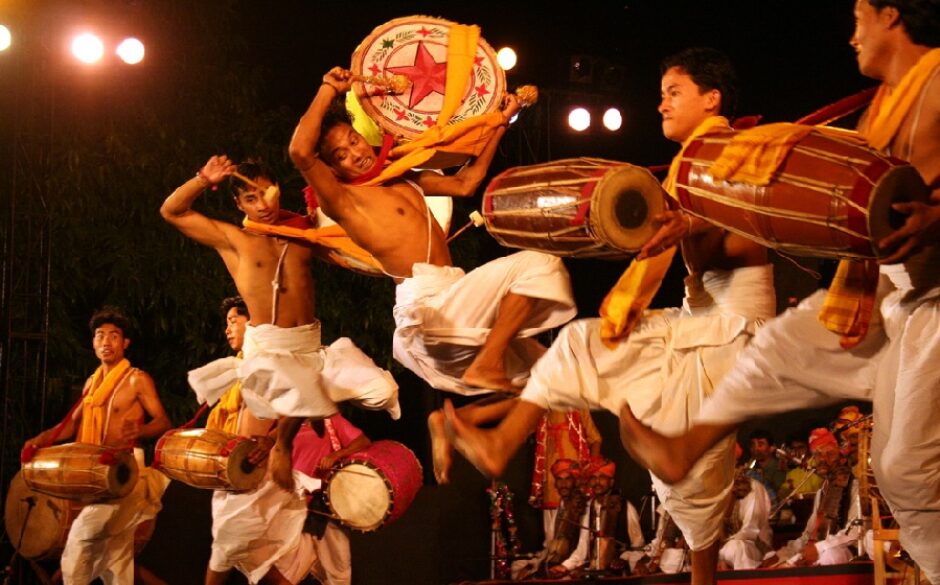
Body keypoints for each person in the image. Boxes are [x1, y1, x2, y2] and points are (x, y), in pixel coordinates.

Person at [618, 2, 940, 579]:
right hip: (892, 290)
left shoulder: (938, 83)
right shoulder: (884, 111)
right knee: (892, 468)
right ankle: (683, 448)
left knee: (907, 472)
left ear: (892, 15)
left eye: (859, 17)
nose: (852, 36)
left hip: (934, 292)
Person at [446, 47, 774, 585]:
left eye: (674, 92)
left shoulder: (719, 149)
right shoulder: (696, 156)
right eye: (662, 93)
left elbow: (739, 213)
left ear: (711, 99)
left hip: (737, 331)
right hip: (709, 325)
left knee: (582, 347)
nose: (661, 103)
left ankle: (502, 440)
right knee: (694, 480)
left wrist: (688, 222)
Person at [288, 68, 577, 483]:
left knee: (555, 377)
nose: (355, 152)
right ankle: (487, 365)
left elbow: (466, 182)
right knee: (541, 264)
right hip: (427, 309)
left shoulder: (401, 176)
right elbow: (300, 153)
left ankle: (460, 423)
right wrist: (327, 89)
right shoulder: (345, 201)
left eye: (353, 141)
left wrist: (502, 118)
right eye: (341, 155)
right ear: (333, 170)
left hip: (454, 297)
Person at [162, 158, 399, 492]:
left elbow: (353, 242)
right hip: (270, 348)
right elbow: (172, 212)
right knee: (286, 405)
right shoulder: (235, 241)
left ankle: (295, 425)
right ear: (238, 203)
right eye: (250, 199)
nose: (262, 205)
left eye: (266, 194)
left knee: (382, 390)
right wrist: (203, 178)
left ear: (279, 190)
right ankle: (282, 447)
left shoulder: (303, 233)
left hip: (311, 346)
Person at [22, 307, 172, 585]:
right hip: (96, 471)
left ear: (125, 343)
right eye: (100, 336)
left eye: (114, 336)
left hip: (126, 471)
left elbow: (163, 421)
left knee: (79, 542)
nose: (106, 342)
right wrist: (42, 438)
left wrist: (140, 429)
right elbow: (70, 426)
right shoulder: (91, 384)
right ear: (93, 343)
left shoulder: (137, 379)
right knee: (117, 557)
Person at [762, 430, 862, 567]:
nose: (823, 459)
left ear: (842, 457)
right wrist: (782, 555)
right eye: (818, 455)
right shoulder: (822, 493)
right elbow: (808, 536)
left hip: (847, 552)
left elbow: (855, 532)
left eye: (830, 454)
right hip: (819, 551)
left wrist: (820, 548)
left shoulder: (855, 487)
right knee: (775, 561)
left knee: (830, 555)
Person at [291, 415, 371, 585]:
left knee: (338, 568)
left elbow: (363, 441)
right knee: (291, 568)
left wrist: (336, 455)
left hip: (324, 502)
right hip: (293, 504)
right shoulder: (286, 423)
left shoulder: (329, 419)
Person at [717, 468, 773, 570]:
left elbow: (750, 531)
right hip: (721, 547)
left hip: (752, 545)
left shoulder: (752, 488)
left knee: (735, 548)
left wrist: (722, 552)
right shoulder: (712, 490)